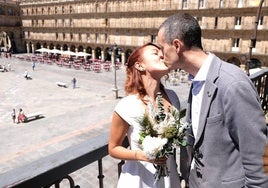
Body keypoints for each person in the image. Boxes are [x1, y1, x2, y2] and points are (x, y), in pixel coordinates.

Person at [157, 13, 268, 187]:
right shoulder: (197, 80)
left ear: (177, 45)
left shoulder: (232, 84)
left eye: (162, 47)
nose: (160, 55)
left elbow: (258, 157)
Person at [108, 43, 181, 188]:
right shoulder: (127, 105)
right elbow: (113, 148)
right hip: (139, 180)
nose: (162, 55)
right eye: (155, 53)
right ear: (140, 66)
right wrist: (141, 155)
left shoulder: (173, 97)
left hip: (169, 178)